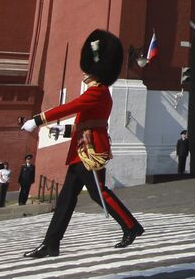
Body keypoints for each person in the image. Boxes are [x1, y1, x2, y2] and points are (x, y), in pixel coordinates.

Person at [21, 29, 145, 259]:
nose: (85, 74)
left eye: (89, 71)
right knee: (66, 199)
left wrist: (38, 120)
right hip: (82, 150)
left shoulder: (97, 92)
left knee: (100, 193)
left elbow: (71, 107)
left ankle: (131, 226)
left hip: (89, 152)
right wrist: (64, 129)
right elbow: (86, 121)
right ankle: (50, 244)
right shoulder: (97, 92)